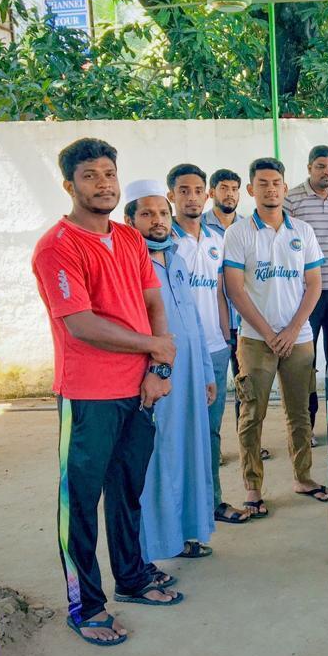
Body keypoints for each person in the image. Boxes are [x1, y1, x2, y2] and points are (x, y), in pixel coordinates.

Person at [32, 138, 182, 647]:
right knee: (79, 504)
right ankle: (85, 606)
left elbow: (153, 303)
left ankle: (132, 578)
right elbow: (81, 324)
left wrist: (158, 366)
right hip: (88, 395)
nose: (103, 184)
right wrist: (154, 346)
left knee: (126, 491)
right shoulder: (57, 246)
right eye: (90, 176)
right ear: (69, 185)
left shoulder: (130, 240)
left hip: (138, 390)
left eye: (109, 174)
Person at [124, 180, 230, 563]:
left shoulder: (178, 259)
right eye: (147, 214)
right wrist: (155, 371)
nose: (157, 221)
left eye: (162, 214)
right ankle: (155, 547)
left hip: (189, 377)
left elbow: (194, 322)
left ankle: (186, 534)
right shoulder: (129, 265)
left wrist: (206, 373)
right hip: (156, 377)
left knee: (190, 452)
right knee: (159, 459)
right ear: (130, 220)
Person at [224, 157, 328, 518]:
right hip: (256, 339)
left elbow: (314, 285)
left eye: (276, 183)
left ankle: (303, 477)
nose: (270, 189)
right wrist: (270, 334)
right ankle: (253, 488)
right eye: (263, 183)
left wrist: (292, 329)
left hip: (298, 338)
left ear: (285, 188)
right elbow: (235, 290)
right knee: (251, 413)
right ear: (251, 190)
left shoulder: (303, 231)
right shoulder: (238, 233)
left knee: (300, 413)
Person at [166, 164, 243, 525]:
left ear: (207, 195)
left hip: (214, 350)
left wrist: (227, 339)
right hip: (177, 353)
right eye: (184, 191)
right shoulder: (165, 241)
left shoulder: (216, 240)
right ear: (171, 196)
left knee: (210, 432)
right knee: (176, 433)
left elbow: (220, 293)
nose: (192, 198)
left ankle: (212, 503)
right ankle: (177, 513)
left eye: (198, 190)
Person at [284, 145, 328, 436]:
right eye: (321, 166)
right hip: (305, 295)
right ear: (309, 168)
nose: (327, 172)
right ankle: (307, 427)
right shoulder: (292, 199)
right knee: (305, 362)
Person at [202, 168, 250, 437]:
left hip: (244, 320)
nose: (230, 194)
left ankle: (247, 443)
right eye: (224, 188)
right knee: (213, 389)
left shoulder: (247, 226)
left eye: (234, 189)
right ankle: (213, 446)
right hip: (212, 322)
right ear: (212, 193)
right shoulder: (199, 226)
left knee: (246, 385)